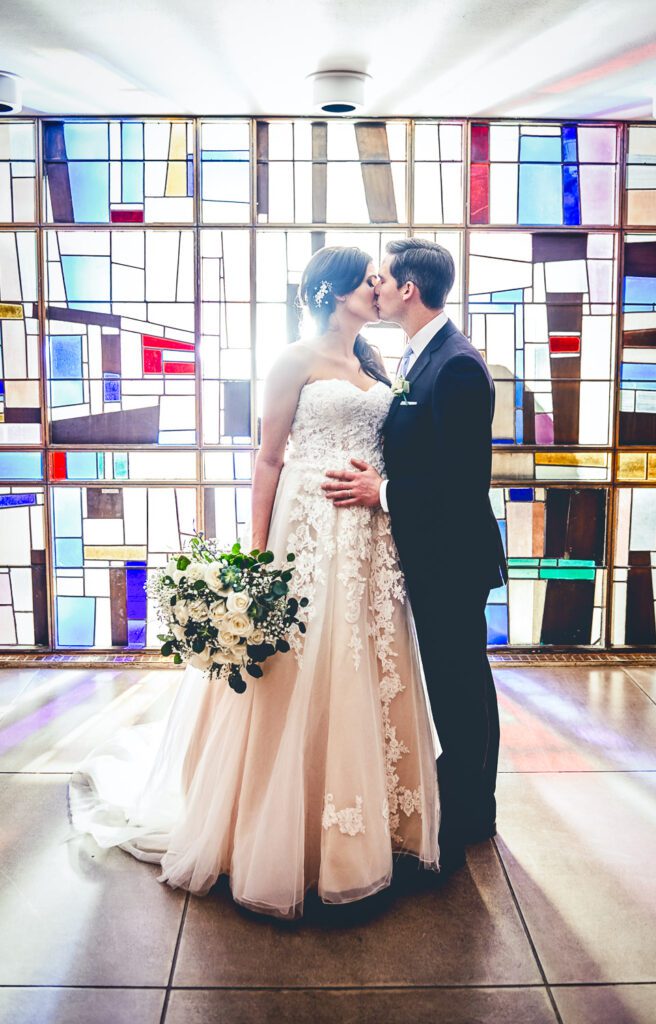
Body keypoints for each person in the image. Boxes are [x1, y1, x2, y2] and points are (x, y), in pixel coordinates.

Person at [69, 245, 440, 919]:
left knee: (361, 663)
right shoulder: (292, 361)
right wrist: (258, 552)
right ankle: (276, 829)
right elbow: (267, 459)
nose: (379, 289)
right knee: (298, 664)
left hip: (366, 539)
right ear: (332, 293)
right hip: (305, 530)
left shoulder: (373, 364)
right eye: (368, 281)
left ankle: (365, 825)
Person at [322, 239, 507, 873]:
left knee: (459, 684)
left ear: (409, 290)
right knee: (461, 679)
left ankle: (469, 812)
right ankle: (469, 801)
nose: (377, 289)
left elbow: (461, 480)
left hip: (452, 554)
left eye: (386, 279)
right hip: (429, 549)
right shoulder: (417, 356)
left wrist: (383, 491)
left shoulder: (454, 364)